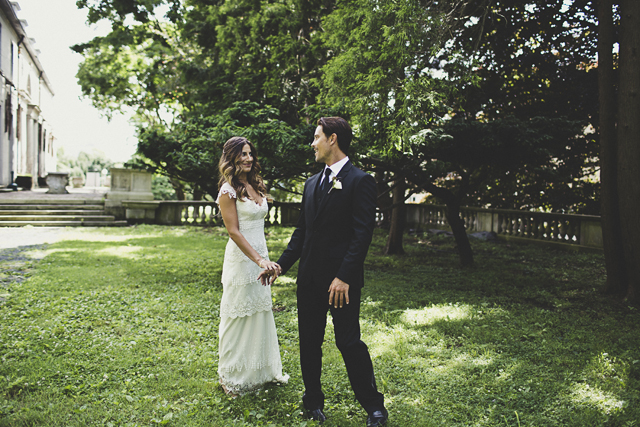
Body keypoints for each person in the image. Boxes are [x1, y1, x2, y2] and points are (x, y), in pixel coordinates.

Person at [259, 117, 388, 426]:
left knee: (348, 342)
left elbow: (362, 234)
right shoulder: (312, 183)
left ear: (332, 139)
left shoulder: (361, 181)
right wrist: (281, 265)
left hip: (341, 282)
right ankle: (312, 401)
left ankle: (374, 407)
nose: (312, 143)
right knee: (309, 341)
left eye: (316, 137)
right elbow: (303, 232)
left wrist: (343, 276)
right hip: (310, 279)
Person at [215, 136, 288, 396]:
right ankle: (231, 376)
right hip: (242, 260)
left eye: (250, 154)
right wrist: (258, 259)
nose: (248, 158)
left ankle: (260, 371)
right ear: (231, 157)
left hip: (261, 256)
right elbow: (233, 232)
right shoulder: (228, 190)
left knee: (259, 311)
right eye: (242, 154)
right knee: (238, 316)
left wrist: (264, 258)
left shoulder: (256, 184)